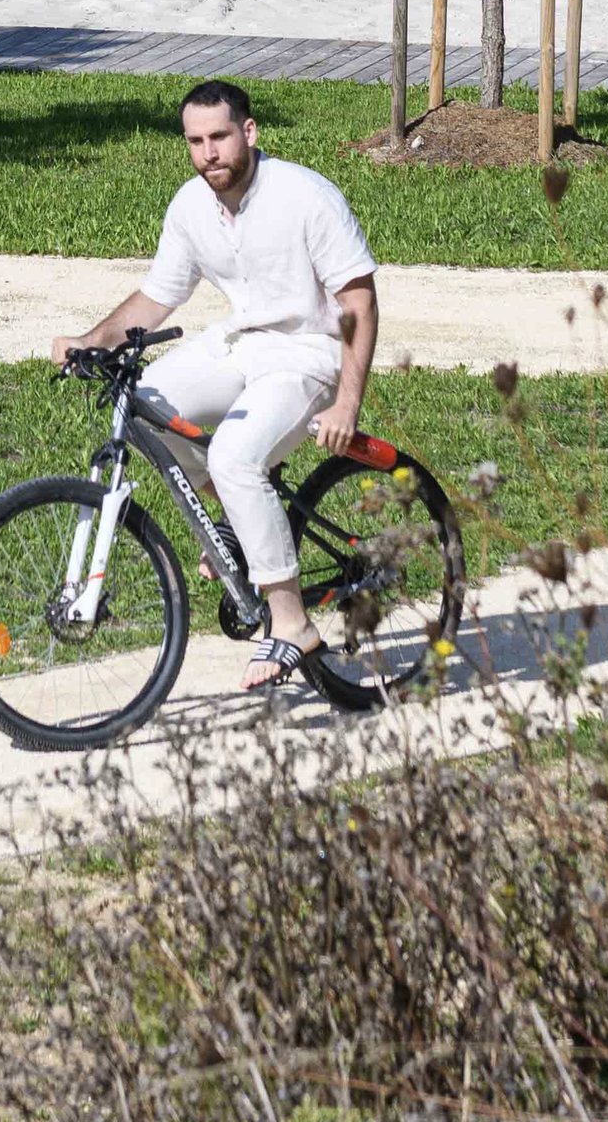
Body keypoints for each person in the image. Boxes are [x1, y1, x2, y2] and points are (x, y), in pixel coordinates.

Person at [57, 78, 383, 696]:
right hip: (242, 343)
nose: (209, 153)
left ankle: (291, 623)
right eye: (196, 141)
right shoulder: (190, 205)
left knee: (236, 455)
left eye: (220, 137)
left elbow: (359, 300)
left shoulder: (305, 197)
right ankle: (234, 520)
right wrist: (92, 339)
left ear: (249, 132)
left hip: (309, 357)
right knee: (149, 397)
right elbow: (158, 296)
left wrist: (347, 401)